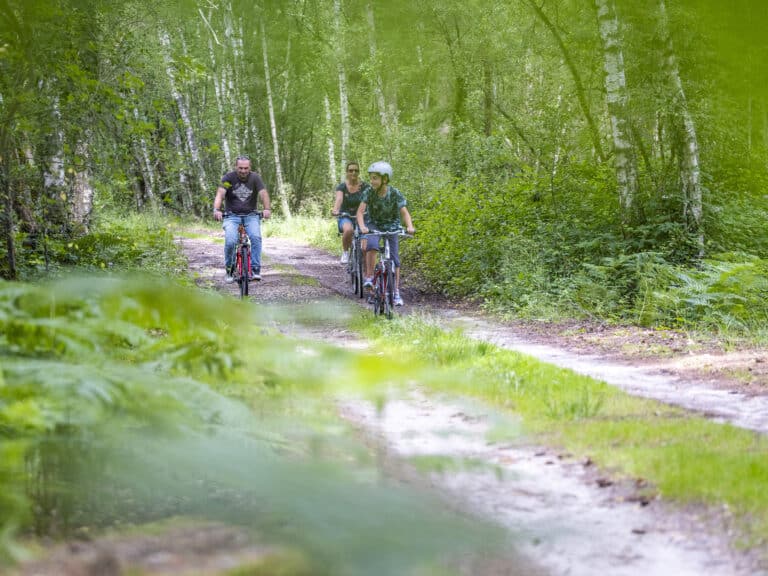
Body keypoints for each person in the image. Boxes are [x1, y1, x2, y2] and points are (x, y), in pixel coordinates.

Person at [356, 161, 415, 307]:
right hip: (374, 225)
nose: (372, 181)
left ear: (385, 179)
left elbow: (405, 213)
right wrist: (363, 226)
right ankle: (369, 278)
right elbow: (360, 212)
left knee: (395, 259)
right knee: (372, 246)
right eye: (371, 178)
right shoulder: (368, 192)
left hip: (392, 226)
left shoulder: (394, 193)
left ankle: (395, 292)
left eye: (375, 178)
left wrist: (410, 226)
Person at [213, 155, 271, 283]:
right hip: (231, 216)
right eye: (240, 168)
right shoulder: (228, 178)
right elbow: (220, 194)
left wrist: (267, 209)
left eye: (246, 168)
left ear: (250, 167)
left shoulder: (255, 178)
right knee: (230, 241)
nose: (243, 171)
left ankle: (255, 269)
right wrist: (216, 210)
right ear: (236, 167)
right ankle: (230, 269)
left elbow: (263, 193)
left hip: (251, 215)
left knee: (256, 237)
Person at [331, 161, 370, 264]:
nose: (353, 173)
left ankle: (366, 276)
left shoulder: (365, 186)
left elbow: (369, 200)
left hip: (362, 217)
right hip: (346, 215)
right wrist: (335, 210)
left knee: (365, 247)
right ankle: (345, 252)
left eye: (356, 170)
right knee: (348, 230)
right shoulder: (342, 187)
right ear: (347, 172)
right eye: (351, 170)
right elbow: (339, 199)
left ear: (359, 172)